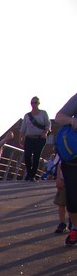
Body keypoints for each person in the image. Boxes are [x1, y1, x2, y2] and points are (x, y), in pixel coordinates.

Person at [55, 93, 77, 246]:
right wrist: (71, 120)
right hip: (73, 160)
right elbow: (59, 117)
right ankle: (75, 228)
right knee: (73, 200)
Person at [19, 96, 51, 181]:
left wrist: (45, 132)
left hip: (39, 138)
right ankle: (29, 173)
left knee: (36, 157)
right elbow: (23, 128)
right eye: (32, 103)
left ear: (38, 103)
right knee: (27, 156)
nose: (33, 104)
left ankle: (32, 175)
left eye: (35, 102)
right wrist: (20, 138)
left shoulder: (43, 113)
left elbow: (48, 125)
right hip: (29, 138)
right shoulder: (27, 115)